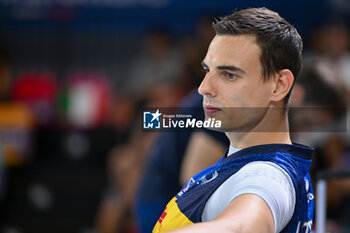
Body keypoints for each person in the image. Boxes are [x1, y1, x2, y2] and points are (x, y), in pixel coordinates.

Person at [152, 7, 314, 233]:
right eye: (208, 70)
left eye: (229, 74)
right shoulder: (245, 162)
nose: (204, 88)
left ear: (279, 85)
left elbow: (240, 227)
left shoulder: (267, 176)